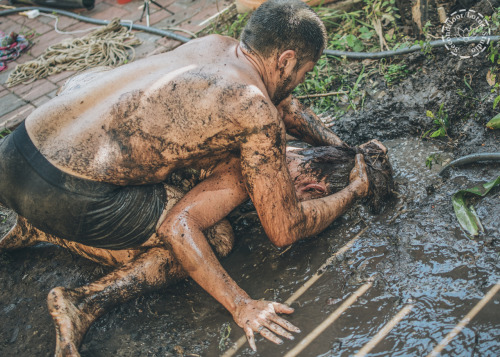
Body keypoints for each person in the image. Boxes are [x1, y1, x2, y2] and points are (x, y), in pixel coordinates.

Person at [0, 0, 380, 353]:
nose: (298, 83)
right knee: (215, 236)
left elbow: (286, 106)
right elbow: (285, 228)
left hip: (20, 148)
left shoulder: (219, 46)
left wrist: (350, 149)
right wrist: (354, 190)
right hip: (66, 191)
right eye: (303, 73)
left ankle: (34, 223)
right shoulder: (254, 112)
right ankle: (82, 301)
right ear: (286, 60)